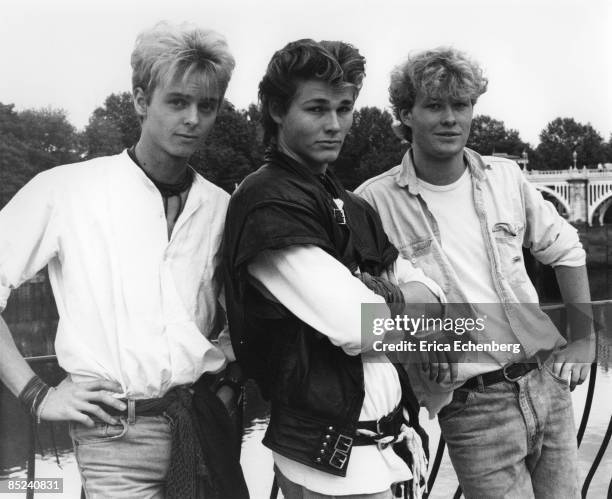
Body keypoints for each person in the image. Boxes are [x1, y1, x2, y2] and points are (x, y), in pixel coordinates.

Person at [0, 21, 248, 499]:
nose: (194, 118)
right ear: (140, 100)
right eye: (177, 101)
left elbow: (246, 321)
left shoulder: (221, 207)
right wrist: (36, 394)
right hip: (113, 439)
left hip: (204, 428)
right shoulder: (68, 190)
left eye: (207, 105)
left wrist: (230, 383)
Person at [356, 47, 594, 498]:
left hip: (547, 382)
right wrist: (427, 335)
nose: (450, 118)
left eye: (461, 105)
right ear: (406, 114)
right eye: (434, 105)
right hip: (471, 404)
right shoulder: (373, 203)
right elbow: (361, 309)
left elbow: (566, 249)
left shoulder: (504, 179)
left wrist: (583, 339)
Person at [224, 39, 445, 499]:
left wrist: (386, 300)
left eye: (344, 109)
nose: (334, 125)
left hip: (384, 452)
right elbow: (356, 325)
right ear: (277, 109)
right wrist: (397, 302)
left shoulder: (350, 204)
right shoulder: (268, 201)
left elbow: (434, 296)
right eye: (317, 108)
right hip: (330, 466)